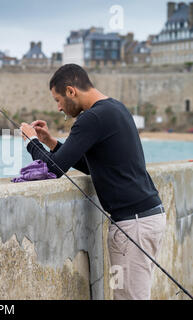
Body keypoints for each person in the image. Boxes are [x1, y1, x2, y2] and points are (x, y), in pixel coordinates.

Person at [20, 64, 166, 300]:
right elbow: (94, 167)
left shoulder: (91, 118)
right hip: (148, 217)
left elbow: (53, 169)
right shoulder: (114, 108)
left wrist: (31, 142)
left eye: (58, 99)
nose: (58, 107)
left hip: (134, 224)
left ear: (71, 91)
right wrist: (53, 144)